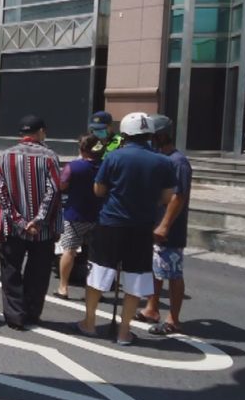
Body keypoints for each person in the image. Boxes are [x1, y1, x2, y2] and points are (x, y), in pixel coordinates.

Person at [75, 112, 175, 346]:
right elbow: (166, 197)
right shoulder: (164, 161)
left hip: (111, 223)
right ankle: (124, 331)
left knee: (98, 274)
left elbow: (99, 190)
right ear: (150, 134)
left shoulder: (115, 157)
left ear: (125, 134)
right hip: (142, 226)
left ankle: (89, 323)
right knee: (135, 280)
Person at [0, 115, 63, 330]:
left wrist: (20, 221)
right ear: (41, 131)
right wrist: (38, 220)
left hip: (12, 228)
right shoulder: (50, 157)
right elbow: (54, 191)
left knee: (11, 270)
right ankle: (32, 313)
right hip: (43, 230)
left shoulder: (5, 156)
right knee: (38, 272)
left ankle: (15, 316)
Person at [135, 115, 192, 335]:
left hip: (170, 228)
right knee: (155, 270)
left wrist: (165, 225)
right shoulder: (159, 158)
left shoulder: (178, 162)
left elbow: (179, 197)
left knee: (173, 274)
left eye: (153, 135)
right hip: (153, 222)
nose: (150, 139)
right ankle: (151, 309)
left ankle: (174, 319)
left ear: (162, 135)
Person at [54, 133, 104, 299]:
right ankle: (96, 290)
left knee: (69, 250)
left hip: (75, 215)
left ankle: (63, 287)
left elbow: (61, 185)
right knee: (96, 255)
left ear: (82, 149)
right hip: (99, 215)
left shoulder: (74, 167)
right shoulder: (105, 166)